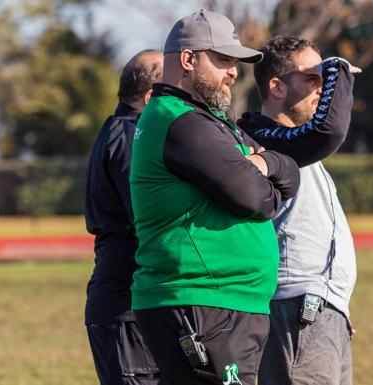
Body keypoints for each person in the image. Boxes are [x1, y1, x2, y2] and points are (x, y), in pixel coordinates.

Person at [128, 10, 300, 385]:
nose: (233, 72)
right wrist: (268, 172)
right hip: (204, 305)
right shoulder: (182, 123)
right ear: (188, 59)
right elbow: (255, 198)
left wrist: (268, 163)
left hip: (221, 306)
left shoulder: (205, 121)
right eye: (222, 59)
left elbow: (289, 171)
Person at [237, 35, 361, 385]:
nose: (322, 90)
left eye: (323, 80)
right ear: (276, 86)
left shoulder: (295, 143)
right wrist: (337, 68)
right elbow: (331, 129)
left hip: (321, 311)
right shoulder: (261, 138)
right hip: (296, 309)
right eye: (312, 79)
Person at [84, 49, 164, 385]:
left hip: (124, 304)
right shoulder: (131, 136)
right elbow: (146, 218)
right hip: (126, 307)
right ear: (150, 96)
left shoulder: (119, 130)